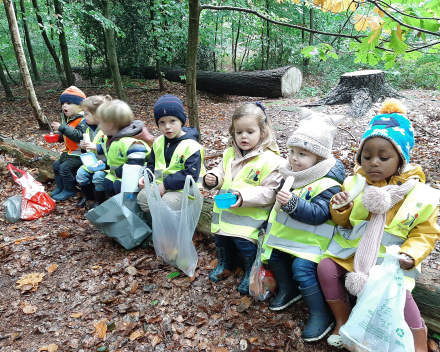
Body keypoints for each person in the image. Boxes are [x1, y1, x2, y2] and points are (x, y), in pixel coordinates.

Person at [317, 99, 440, 351]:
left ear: (400, 160)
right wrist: (340, 207)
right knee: (326, 268)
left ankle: (418, 342)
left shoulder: (419, 194)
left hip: (389, 261)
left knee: (401, 296)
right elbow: (345, 222)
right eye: (367, 155)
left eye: (384, 157)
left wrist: (411, 254)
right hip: (354, 253)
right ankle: (343, 320)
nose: (374, 162)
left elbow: (425, 233)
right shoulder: (354, 183)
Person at [261, 109, 346, 342]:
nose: (293, 159)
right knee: (275, 257)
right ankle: (289, 289)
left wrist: (293, 204)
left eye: (302, 154)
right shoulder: (292, 175)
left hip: (312, 245)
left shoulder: (329, 183)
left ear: (318, 158)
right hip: (286, 240)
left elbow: (319, 214)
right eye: (291, 152)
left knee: (302, 268)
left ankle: (320, 314)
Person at [203, 102, 284, 294]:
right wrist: (214, 178)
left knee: (245, 246)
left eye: (249, 131)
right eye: (239, 133)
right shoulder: (230, 153)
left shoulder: (271, 160)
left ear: (262, 132)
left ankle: (250, 272)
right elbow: (222, 171)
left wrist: (243, 196)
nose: (243, 137)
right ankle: (225, 263)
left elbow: (270, 192)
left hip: (250, 221)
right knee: (221, 240)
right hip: (224, 214)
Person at [137, 94, 205, 213]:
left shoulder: (191, 146)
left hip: (185, 190)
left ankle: (172, 229)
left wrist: (165, 185)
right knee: (143, 197)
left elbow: (191, 175)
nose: (167, 127)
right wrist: (146, 175)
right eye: (162, 122)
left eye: (172, 121)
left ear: (181, 121)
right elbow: (152, 163)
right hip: (161, 185)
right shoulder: (158, 142)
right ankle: (155, 224)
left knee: (168, 202)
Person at [82, 100, 154, 197]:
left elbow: (136, 163)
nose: (99, 126)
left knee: (118, 186)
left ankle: (128, 207)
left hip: (135, 175)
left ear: (110, 125)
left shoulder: (132, 141)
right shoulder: (115, 139)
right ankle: (116, 205)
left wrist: (118, 172)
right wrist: (104, 162)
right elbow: (117, 156)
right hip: (119, 173)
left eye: (100, 123)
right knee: (107, 183)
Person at [50, 86, 87, 201]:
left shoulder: (83, 120)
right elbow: (67, 135)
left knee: (64, 168)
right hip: (69, 153)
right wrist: (57, 136)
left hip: (80, 154)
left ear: (80, 106)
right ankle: (60, 188)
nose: (64, 105)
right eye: (63, 103)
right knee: (56, 166)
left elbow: (78, 136)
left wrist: (62, 128)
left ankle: (70, 190)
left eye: (69, 103)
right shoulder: (69, 120)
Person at [75, 95, 112, 209]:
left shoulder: (107, 129)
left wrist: (96, 146)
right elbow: (86, 148)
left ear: (97, 115)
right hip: (92, 161)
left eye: (86, 114)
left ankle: (99, 200)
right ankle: (87, 196)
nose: (84, 117)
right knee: (81, 173)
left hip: (105, 164)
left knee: (98, 176)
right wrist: (83, 146)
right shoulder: (87, 128)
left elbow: (111, 147)